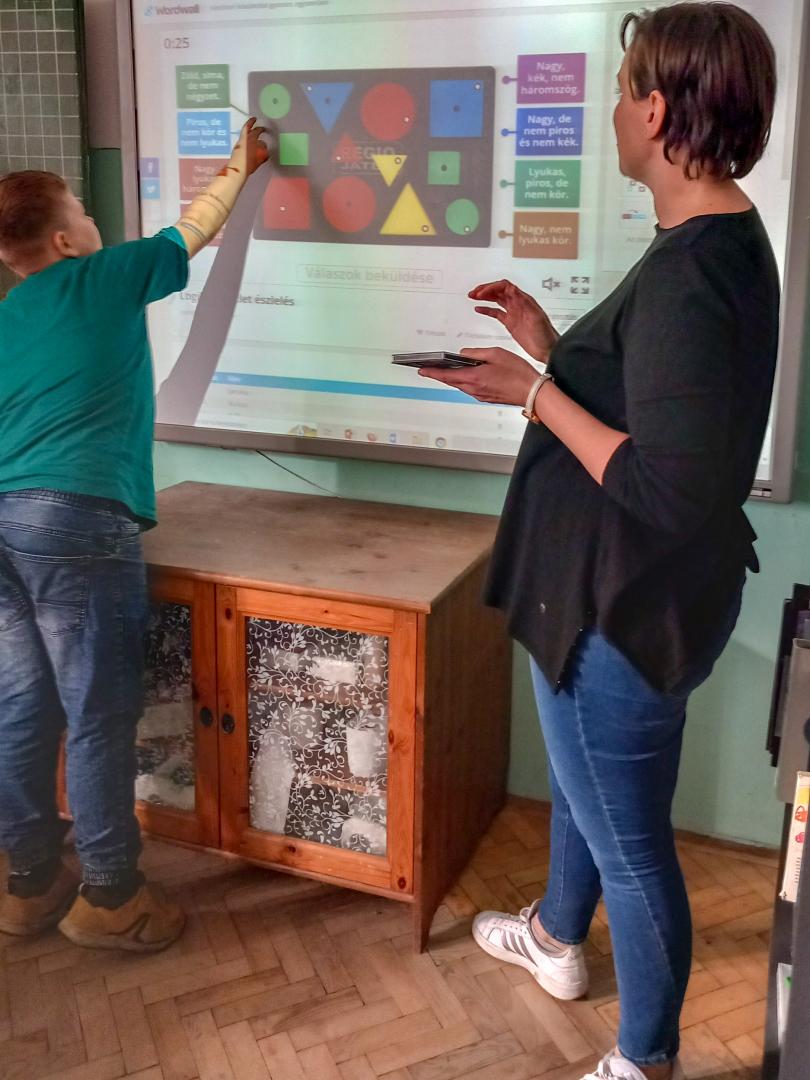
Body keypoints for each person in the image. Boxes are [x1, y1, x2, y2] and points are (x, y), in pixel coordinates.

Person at [419, 5, 778, 1079]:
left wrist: (534, 395)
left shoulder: (691, 273)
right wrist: (548, 343)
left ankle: (645, 1058)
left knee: (630, 842)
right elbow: (656, 398)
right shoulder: (709, 241)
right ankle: (556, 937)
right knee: (587, 792)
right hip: (606, 593)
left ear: (657, 112)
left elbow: (667, 484)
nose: (614, 110)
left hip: (623, 607)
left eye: (624, 91)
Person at [0, 119, 268, 952]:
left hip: (4, 524)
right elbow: (192, 228)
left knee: (21, 704)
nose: (93, 220)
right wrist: (244, 162)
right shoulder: (102, 275)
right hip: (73, 521)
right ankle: (112, 895)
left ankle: (28, 885)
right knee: (97, 713)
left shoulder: (9, 312)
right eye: (83, 211)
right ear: (62, 240)